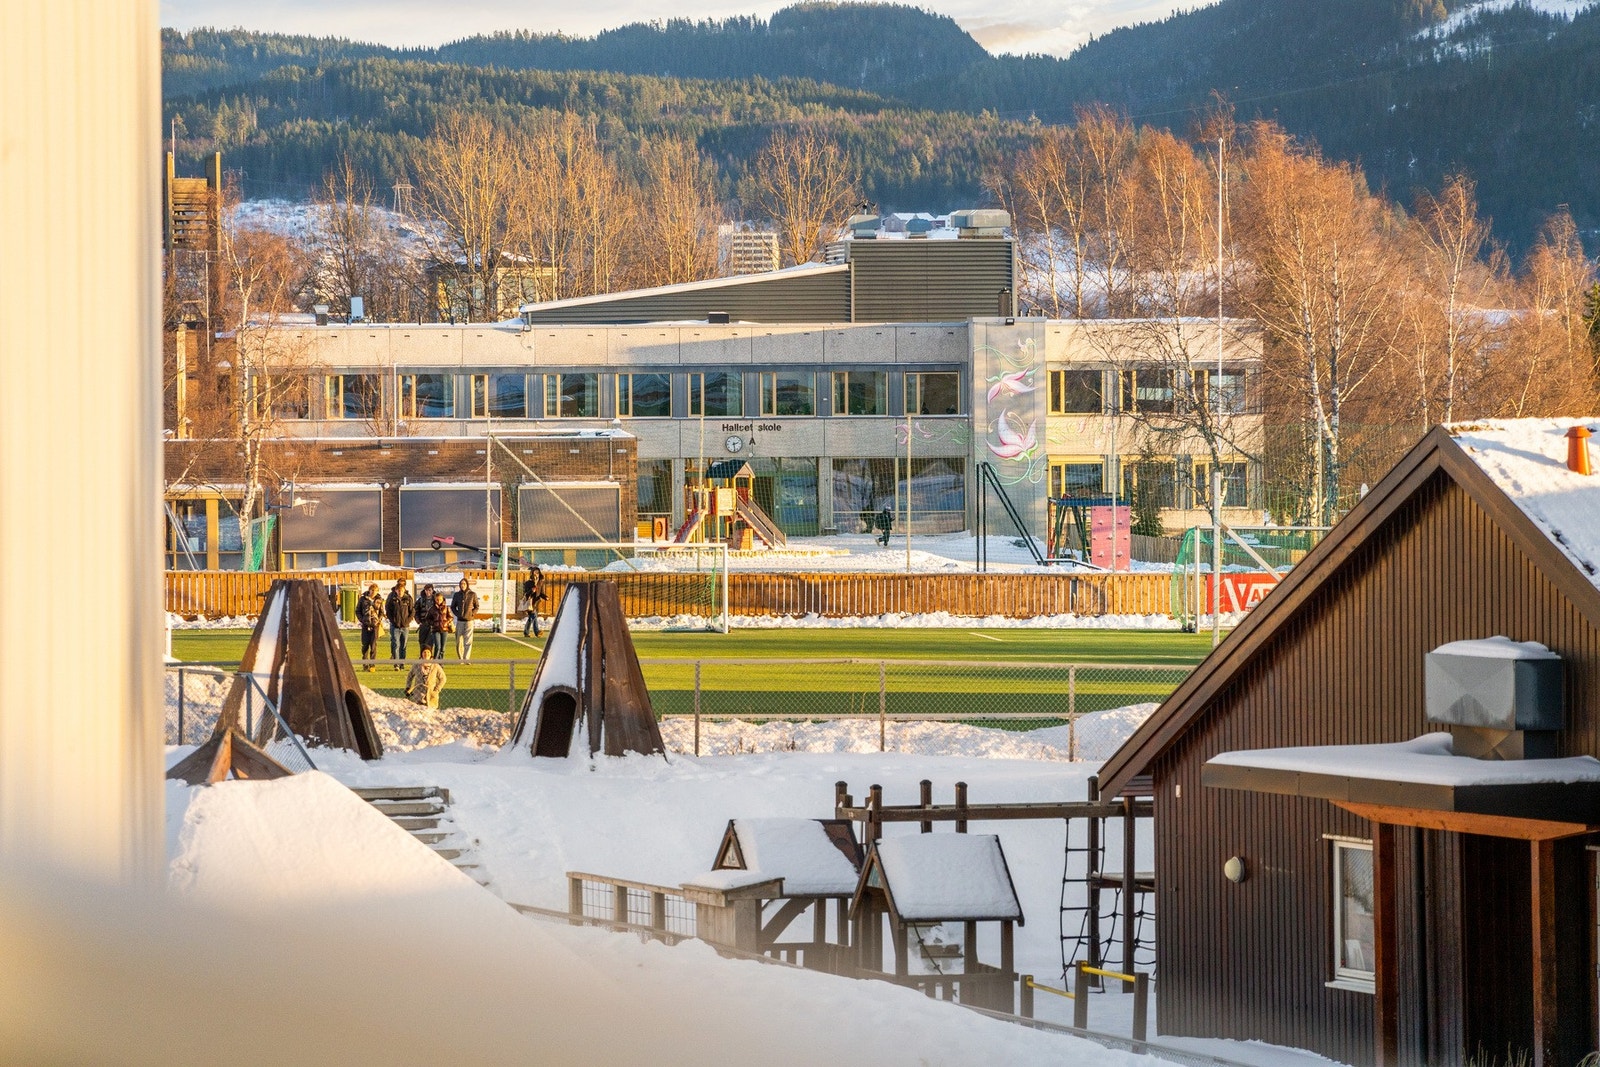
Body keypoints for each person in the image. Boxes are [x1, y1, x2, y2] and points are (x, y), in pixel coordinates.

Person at [384, 579, 413, 669]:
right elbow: (388, 610)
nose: (400, 592)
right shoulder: (392, 598)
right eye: (398, 590)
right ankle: (396, 664)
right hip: (395, 626)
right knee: (396, 644)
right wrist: (393, 621)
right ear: (396, 590)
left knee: (403, 645)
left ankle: (402, 663)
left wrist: (407, 621)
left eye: (402, 589)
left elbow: (412, 611)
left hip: (405, 626)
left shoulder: (408, 598)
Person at [450, 578, 479, 661]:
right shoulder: (457, 595)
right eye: (461, 584)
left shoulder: (472, 594)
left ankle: (466, 659)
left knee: (468, 641)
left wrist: (472, 613)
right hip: (460, 621)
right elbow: (453, 606)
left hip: (469, 621)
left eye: (464, 584)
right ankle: (460, 658)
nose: (462, 585)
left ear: (467, 585)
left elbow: (476, 606)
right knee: (459, 641)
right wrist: (457, 614)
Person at [355, 583, 382, 670]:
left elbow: (382, 612)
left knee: (373, 646)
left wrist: (379, 620)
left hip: (375, 626)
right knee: (365, 645)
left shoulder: (379, 600)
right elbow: (357, 610)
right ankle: (365, 664)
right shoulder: (363, 599)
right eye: (372, 590)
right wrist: (362, 619)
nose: (373, 592)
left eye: (375, 590)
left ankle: (372, 665)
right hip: (365, 625)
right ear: (369, 590)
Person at [521, 564, 546, 638]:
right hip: (530, 602)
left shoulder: (540, 583)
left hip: (536, 602)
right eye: (535, 572)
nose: (536, 574)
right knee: (534, 616)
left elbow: (541, 593)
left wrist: (545, 597)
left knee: (531, 617)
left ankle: (526, 632)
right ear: (532, 573)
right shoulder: (528, 583)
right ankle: (537, 631)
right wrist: (532, 590)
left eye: (538, 572)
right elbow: (526, 593)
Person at [414, 583, 436, 659]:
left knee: (429, 643)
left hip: (432, 625)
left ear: (432, 590)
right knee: (422, 643)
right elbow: (416, 611)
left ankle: (429, 659)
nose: (428, 592)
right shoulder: (421, 600)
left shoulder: (436, 600)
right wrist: (418, 621)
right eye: (426, 590)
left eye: (429, 590)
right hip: (423, 624)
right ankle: (422, 658)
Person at [431, 591, 450, 658]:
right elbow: (428, 618)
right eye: (437, 599)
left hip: (444, 629)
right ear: (435, 600)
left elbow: (450, 617)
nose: (439, 601)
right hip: (435, 629)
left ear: (443, 599)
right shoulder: (432, 608)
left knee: (443, 648)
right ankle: (435, 662)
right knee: (437, 646)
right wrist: (433, 623)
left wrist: (447, 622)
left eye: (440, 599)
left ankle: (441, 663)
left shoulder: (446, 608)